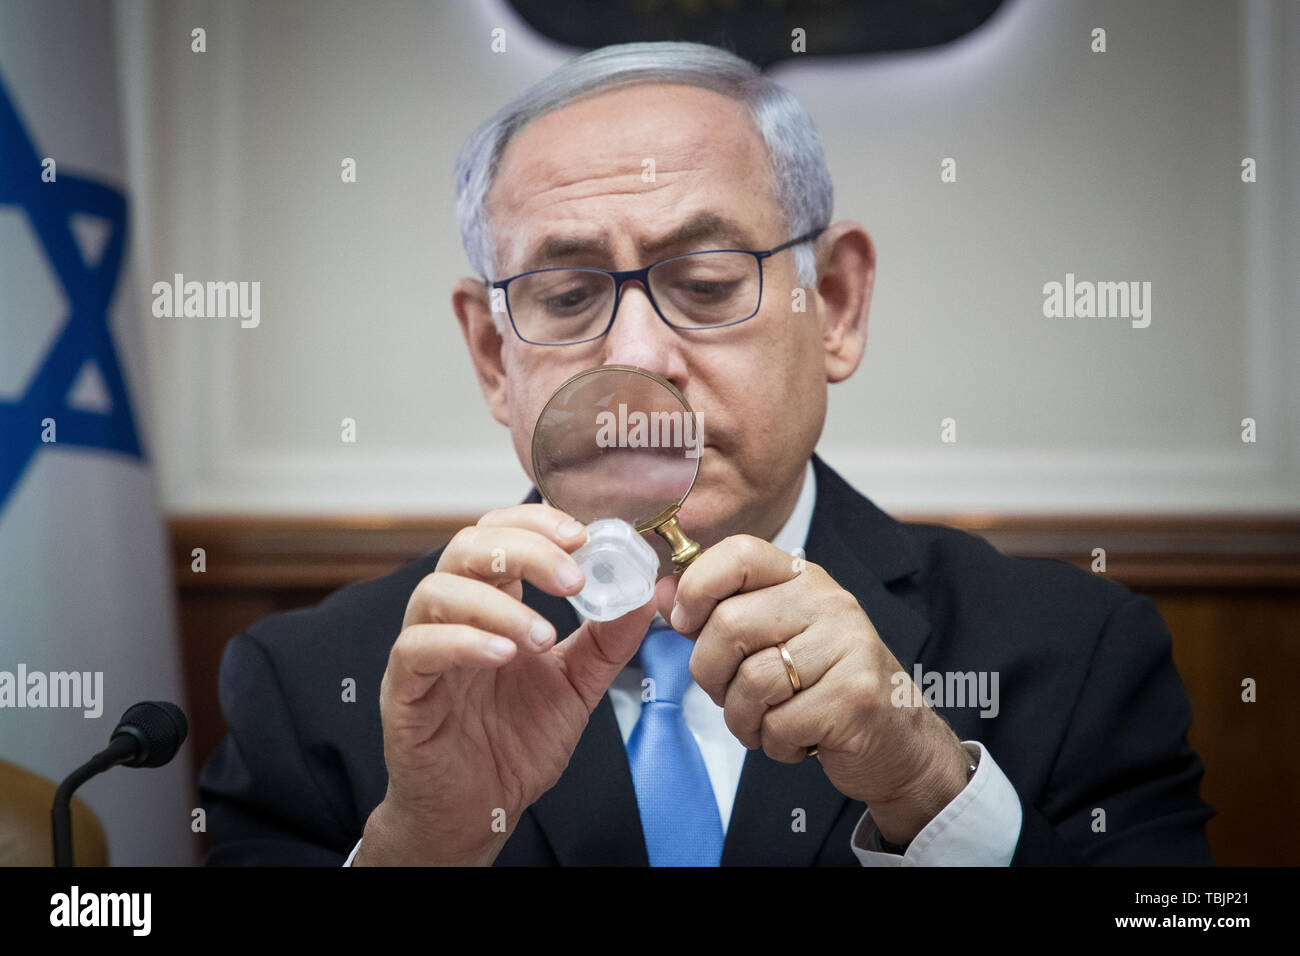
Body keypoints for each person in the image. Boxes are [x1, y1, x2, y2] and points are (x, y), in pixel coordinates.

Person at [199, 41, 1215, 866]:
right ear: (491, 353)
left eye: (708, 280)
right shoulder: (312, 684)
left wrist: (928, 790)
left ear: (839, 307)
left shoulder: (1074, 653)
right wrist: (422, 845)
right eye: (565, 297)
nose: (638, 357)